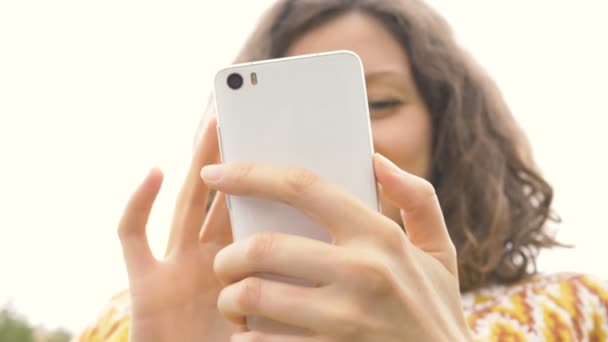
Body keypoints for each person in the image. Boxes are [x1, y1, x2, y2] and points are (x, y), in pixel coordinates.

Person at [75, 0, 608, 341]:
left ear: (449, 129)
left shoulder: (574, 312)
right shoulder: (129, 322)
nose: (354, 133)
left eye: (380, 102)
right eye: (292, 117)